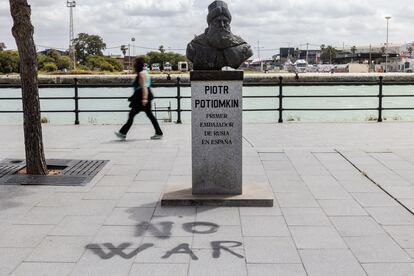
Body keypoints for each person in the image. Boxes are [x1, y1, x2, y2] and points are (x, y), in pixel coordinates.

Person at [115, 56, 163, 140]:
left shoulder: (141, 74)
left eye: (134, 64)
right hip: (142, 96)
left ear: (137, 65)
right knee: (148, 115)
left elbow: (144, 86)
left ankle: (123, 133)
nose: (133, 65)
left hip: (141, 97)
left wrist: (144, 98)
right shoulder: (145, 72)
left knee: (133, 115)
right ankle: (158, 132)